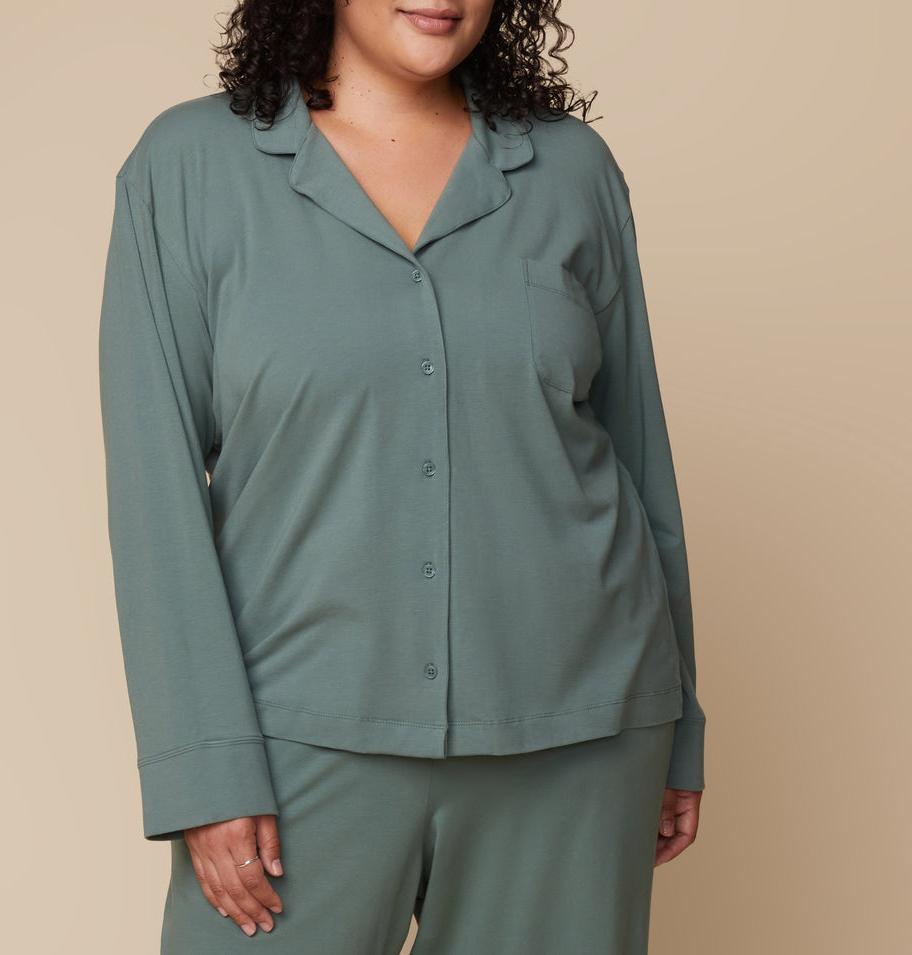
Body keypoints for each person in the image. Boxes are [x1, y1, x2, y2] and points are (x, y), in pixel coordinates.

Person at [98, 0, 706, 951]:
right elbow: (155, 493)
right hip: (298, 732)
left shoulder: (571, 169)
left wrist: (680, 727)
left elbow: (638, 461)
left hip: (579, 729)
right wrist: (201, 766)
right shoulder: (188, 167)